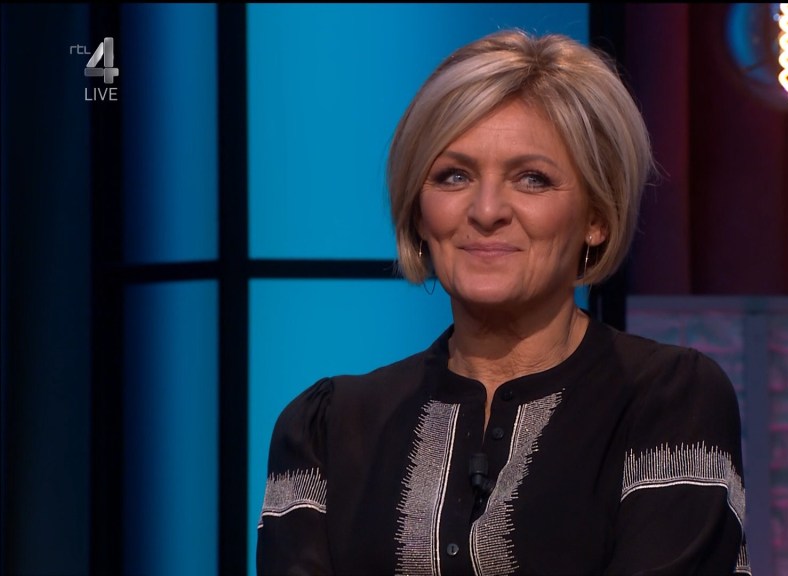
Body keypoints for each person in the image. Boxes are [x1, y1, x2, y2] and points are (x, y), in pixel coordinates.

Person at [257, 29, 750, 575]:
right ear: (419, 212)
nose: (486, 210)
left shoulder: (668, 403)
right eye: (454, 176)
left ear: (597, 216)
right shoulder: (326, 430)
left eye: (532, 179)